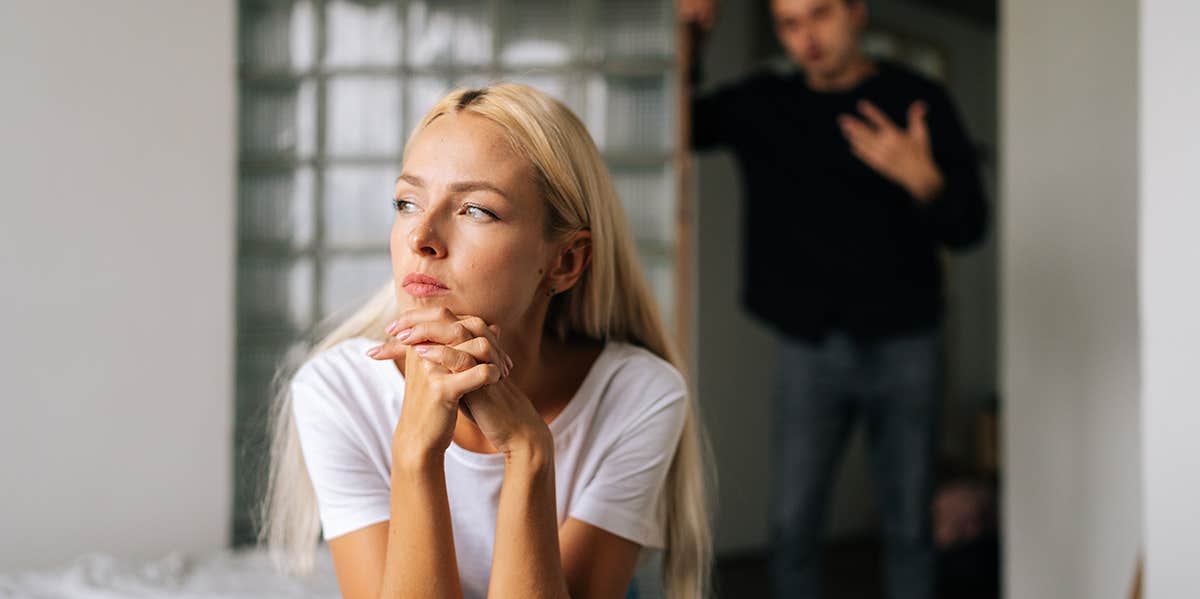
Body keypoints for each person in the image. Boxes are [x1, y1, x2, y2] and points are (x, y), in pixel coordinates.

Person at [258, 83, 712, 599]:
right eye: (407, 202)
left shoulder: (639, 396)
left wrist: (529, 452)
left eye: (476, 210)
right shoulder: (336, 390)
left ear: (564, 261)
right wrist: (415, 455)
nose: (420, 237)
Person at [679, 0, 989, 597]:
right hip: (810, 348)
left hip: (909, 345)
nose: (806, 37)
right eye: (789, 24)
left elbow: (971, 227)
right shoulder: (767, 102)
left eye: (819, 14)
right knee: (792, 527)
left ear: (856, 13)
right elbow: (684, 125)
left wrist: (923, 181)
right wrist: (694, 35)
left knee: (908, 529)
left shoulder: (916, 100)